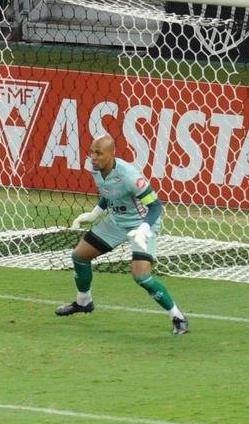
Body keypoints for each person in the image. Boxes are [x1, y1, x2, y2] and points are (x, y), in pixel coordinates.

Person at [55, 135, 189, 335]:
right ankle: (84, 302)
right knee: (79, 256)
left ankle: (178, 317)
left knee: (141, 276)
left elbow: (155, 206)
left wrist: (144, 229)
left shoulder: (130, 176)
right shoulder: (96, 169)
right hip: (116, 222)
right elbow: (108, 193)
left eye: (99, 153)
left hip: (142, 225)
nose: (93, 157)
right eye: (92, 151)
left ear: (112, 154)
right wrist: (94, 214)